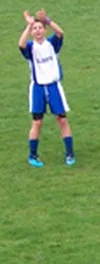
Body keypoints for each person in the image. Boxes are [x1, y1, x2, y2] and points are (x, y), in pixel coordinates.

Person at [19, 9, 74, 168]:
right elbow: (20, 44)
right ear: (31, 32)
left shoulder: (51, 44)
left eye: (40, 28)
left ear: (45, 30)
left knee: (62, 119)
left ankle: (69, 153)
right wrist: (28, 26)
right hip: (37, 88)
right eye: (34, 29)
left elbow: (60, 33)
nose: (37, 31)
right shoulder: (30, 47)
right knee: (37, 122)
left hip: (54, 87)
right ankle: (33, 155)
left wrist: (48, 20)